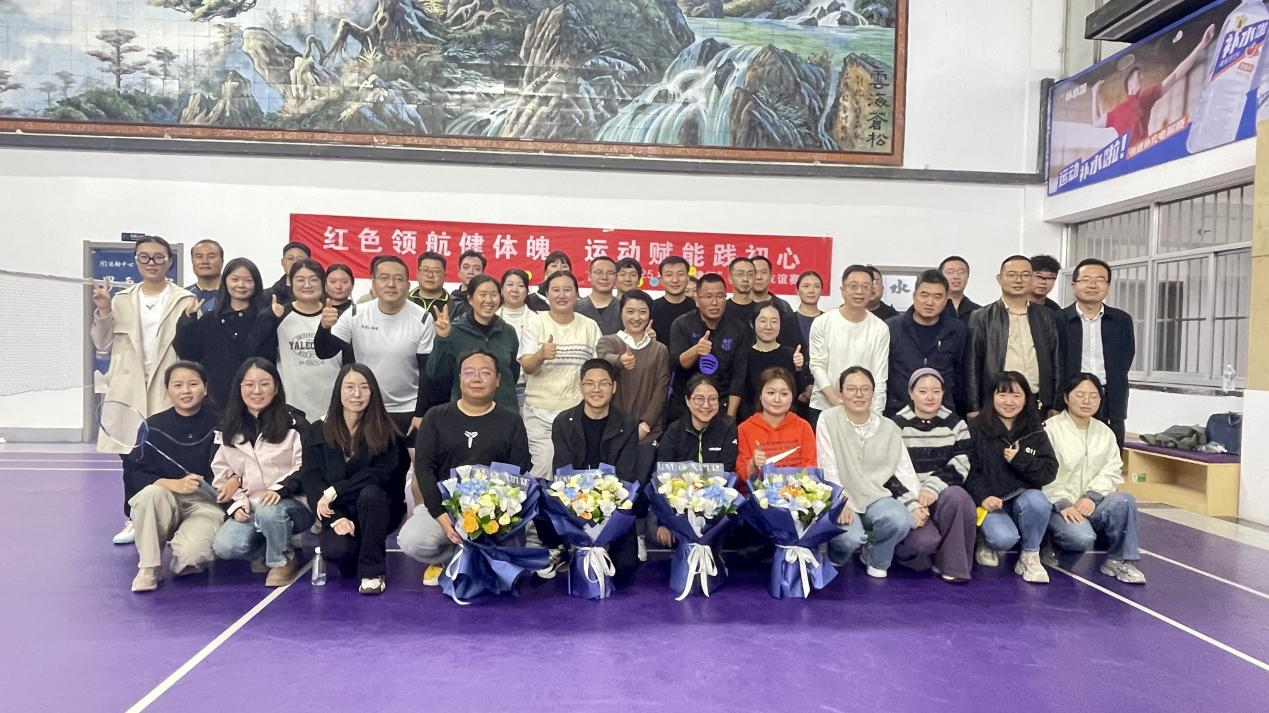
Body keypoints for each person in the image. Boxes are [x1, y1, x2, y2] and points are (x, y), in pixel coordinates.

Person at [91, 235, 195, 544]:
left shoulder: (184, 299)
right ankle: (133, 518)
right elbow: (102, 343)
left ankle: (171, 518)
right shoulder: (120, 300)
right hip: (128, 390)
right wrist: (103, 310)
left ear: (169, 261)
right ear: (136, 261)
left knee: (168, 455)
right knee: (131, 458)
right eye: (145, 257)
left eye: (159, 257)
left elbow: (193, 347)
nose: (152, 263)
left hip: (166, 389)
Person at [399, 350, 532, 586]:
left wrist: (495, 514)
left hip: (495, 512)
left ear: (498, 380)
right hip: (446, 509)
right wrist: (440, 515)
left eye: (485, 373)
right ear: (459, 380)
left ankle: (477, 556)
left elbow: (518, 471)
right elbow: (425, 470)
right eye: (469, 373)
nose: (477, 378)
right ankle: (450, 558)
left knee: (509, 562)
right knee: (412, 540)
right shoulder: (435, 417)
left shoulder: (511, 420)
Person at [302, 364, 409, 595]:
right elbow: (311, 478)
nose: (357, 394)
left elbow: (382, 475)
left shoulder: (387, 432)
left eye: (364, 387)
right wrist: (336, 517)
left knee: (371, 493)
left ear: (373, 392)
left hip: (378, 509)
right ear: (338, 391)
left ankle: (373, 572)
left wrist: (336, 490)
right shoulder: (318, 430)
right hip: (338, 510)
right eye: (349, 387)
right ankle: (357, 550)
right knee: (338, 554)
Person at [211, 358, 312, 587]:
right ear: (240, 388)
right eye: (249, 384)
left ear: (276, 388)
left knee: (269, 512)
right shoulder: (227, 426)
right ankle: (266, 552)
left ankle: (282, 560)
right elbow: (221, 472)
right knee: (225, 546)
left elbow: (306, 467)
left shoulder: (295, 423)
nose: (257, 391)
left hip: (293, 503)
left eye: (264, 384)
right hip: (251, 504)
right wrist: (236, 504)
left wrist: (280, 489)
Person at [538, 359, 641, 580]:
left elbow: (626, 476)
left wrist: (602, 508)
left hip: (612, 504)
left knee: (624, 570)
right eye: (590, 383)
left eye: (604, 383)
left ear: (614, 387)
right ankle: (560, 548)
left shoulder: (627, 424)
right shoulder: (563, 421)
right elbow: (562, 473)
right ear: (581, 386)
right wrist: (582, 508)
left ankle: (605, 543)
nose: (596, 389)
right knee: (541, 492)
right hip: (573, 501)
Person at [128, 361, 223, 592]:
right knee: (150, 494)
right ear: (167, 390)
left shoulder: (221, 422)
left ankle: (185, 549)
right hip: (164, 499)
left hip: (206, 504)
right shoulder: (152, 426)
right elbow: (136, 473)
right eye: (178, 385)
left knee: (191, 557)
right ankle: (149, 567)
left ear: (205, 388)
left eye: (193, 384)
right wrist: (173, 484)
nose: (185, 391)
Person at [315, 256, 436, 437]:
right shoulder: (355, 313)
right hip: (365, 405)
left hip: (407, 408)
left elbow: (427, 371)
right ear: (373, 283)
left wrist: (420, 413)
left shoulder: (423, 318)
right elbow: (324, 352)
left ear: (408, 285)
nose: (391, 284)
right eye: (384, 278)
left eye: (398, 279)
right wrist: (324, 327)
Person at [1042, 373, 1145, 583]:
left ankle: (1119, 561)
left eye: (1093, 396)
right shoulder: (1050, 430)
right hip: (1058, 507)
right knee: (1082, 537)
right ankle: (1051, 546)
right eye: (1080, 395)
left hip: (1092, 505)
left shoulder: (1105, 433)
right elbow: (1043, 474)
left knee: (1124, 500)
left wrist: (1092, 496)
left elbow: (1112, 470)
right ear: (1066, 397)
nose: (1087, 401)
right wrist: (1063, 503)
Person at [817, 366, 918, 578]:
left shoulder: (890, 427)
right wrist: (839, 501)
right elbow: (826, 465)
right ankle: (837, 555)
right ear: (841, 392)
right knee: (849, 538)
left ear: (873, 393)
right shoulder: (828, 419)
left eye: (865, 389)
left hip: (875, 497)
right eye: (851, 389)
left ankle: (875, 556)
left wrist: (916, 503)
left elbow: (904, 470)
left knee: (901, 519)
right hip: (841, 496)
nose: (859, 394)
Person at [965, 371, 1058, 584]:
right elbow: (968, 469)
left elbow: (1049, 471)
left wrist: (1021, 459)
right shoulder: (975, 427)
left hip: (1022, 500)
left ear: (1026, 399)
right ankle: (985, 539)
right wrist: (983, 497)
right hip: (990, 503)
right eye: (1002, 395)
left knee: (1038, 501)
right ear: (992, 397)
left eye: (1016, 396)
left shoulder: (1035, 429)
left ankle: (1030, 556)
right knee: (1004, 539)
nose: (1009, 402)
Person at [890, 369, 976, 582]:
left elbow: (962, 461)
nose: (930, 397)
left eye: (936, 391)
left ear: (943, 393)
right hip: (910, 498)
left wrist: (932, 487)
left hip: (941, 494)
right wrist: (911, 503)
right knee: (923, 543)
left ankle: (954, 567)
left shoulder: (956, 424)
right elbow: (888, 472)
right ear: (911, 393)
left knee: (959, 497)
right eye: (923, 391)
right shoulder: (896, 425)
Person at [518, 271, 601, 476]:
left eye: (567, 290)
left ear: (576, 294)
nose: (561, 295)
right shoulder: (535, 323)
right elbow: (527, 366)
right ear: (547, 294)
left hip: (576, 413)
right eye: (555, 290)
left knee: (573, 472)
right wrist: (540, 355)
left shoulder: (589, 326)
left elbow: (599, 368)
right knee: (544, 467)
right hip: (539, 412)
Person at [964, 255, 1061, 417]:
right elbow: (972, 365)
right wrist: (974, 407)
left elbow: (1056, 360)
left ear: (1032, 279)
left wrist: (1056, 404)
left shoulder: (1046, 315)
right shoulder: (982, 316)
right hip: (998, 401)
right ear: (999, 279)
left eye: (1025, 275)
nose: (1018, 280)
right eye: (1012, 275)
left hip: (1037, 402)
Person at [249, 259, 343, 423]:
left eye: (313, 279)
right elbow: (254, 352)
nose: (307, 285)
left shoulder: (337, 317)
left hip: (332, 407)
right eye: (300, 280)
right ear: (291, 283)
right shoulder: (279, 314)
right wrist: (269, 318)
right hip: (290, 407)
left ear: (323, 283)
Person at [1056, 259, 1134, 448]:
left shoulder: (1121, 320)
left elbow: (1125, 358)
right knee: (1068, 453)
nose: (1092, 285)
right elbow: (1054, 363)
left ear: (1108, 286)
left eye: (1100, 280)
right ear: (1073, 285)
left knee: (1110, 452)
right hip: (1069, 399)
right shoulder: (1058, 319)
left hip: (1110, 399)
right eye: (1085, 279)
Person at [655, 375, 739, 550]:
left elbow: (728, 471)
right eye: (699, 399)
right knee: (657, 532)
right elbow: (663, 476)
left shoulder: (728, 427)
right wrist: (664, 521)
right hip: (678, 506)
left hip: (715, 504)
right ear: (687, 400)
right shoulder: (674, 430)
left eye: (712, 399)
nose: (706, 405)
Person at [1092, 23, 1215, 142]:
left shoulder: (1147, 97)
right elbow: (1097, 122)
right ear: (1129, 82)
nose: (1142, 79)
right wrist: (1094, 95)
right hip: (1128, 155)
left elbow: (1175, 75)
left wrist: (1201, 45)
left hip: (1142, 149)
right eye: (1138, 76)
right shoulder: (1116, 112)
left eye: (1141, 77)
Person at [596, 290, 669, 484]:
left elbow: (661, 389)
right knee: (609, 487)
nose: (636, 317)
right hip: (611, 430)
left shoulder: (659, 349)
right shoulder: (609, 341)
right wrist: (620, 360)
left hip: (646, 433)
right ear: (621, 313)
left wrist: (646, 424)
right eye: (630, 311)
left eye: (642, 312)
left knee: (640, 489)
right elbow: (605, 359)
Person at [175, 257, 267, 408]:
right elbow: (188, 354)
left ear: (256, 284)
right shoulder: (210, 319)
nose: (241, 285)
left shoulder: (264, 318)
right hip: (216, 399)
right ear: (225, 282)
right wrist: (188, 320)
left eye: (248, 280)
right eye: (235, 279)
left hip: (256, 397)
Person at [808, 265, 889, 424]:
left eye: (865, 287)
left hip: (864, 411)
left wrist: (876, 416)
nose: (859, 291)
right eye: (853, 286)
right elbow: (817, 365)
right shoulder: (822, 323)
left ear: (871, 291)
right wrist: (835, 399)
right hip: (824, 407)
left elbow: (880, 377)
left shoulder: (880, 328)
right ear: (842, 290)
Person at [429, 274, 520, 410]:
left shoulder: (508, 332)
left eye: (493, 295)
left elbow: (513, 373)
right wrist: (442, 338)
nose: (488, 300)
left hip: (504, 410)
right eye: (482, 294)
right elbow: (436, 373)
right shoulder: (454, 331)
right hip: (465, 411)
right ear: (470, 299)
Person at [668, 273, 750, 423]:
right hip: (684, 404)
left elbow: (739, 375)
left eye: (720, 296)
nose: (714, 302)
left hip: (721, 403)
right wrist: (696, 350)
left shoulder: (738, 328)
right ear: (697, 300)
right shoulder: (682, 324)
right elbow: (676, 363)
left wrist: (730, 417)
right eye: (708, 296)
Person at [885, 269, 967, 416]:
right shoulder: (891, 328)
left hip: (943, 414)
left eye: (937, 297)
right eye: (924, 295)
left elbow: (961, 375)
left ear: (946, 299)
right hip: (898, 412)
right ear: (914, 295)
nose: (930, 302)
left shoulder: (957, 330)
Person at [735, 367, 817, 491]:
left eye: (784, 394)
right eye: (771, 393)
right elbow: (741, 478)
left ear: (792, 397)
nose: (777, 399)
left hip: (797, 495)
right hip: (758, 497)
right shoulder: (744, 429)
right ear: (760, 396)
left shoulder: (803, 427)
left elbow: (811, 469)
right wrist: (753, 463)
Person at [735, 303, 809, 423]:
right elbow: (739, 391)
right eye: (763, 321)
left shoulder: (791, 354)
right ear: (752, 324)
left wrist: (799, 368)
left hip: (785, 421)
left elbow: (799, 392)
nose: (768, 326)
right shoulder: (744, 355)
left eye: (774, 321)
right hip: (751, 421)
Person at [498, 269, 534, 406]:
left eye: (520, 285)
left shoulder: (537, 320)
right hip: (496, 387)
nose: (515, 289)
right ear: (502, 290)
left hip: (527, 388)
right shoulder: (490, 318)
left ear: (527, 291)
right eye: (510, 284)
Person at [793, 271, 823, 416]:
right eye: (806, 286)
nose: (811, 290)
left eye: (816, 286)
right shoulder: (785, 321)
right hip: (793, 395)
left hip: (824, 393)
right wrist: (802, 388)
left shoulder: (829, 321)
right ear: (797, 290)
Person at [650, 256, 695, 341]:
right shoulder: (651, 308)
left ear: (688, 278)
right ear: (661, 280)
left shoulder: (698, 309)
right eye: (669, 275)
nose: (675, 280)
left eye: (680, 274)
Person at [576, 256, 622, 335]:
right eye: (598, 272)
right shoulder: (575, 308)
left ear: (616, 277)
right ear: (589, 276)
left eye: (610, 273)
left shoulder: (623, 309)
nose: (604, 277)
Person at [409, 251, 453, 318]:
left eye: (436, 271)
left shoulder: (456, 306)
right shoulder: (403, 301)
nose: (430, 275)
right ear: (417, 274)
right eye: (425, 270)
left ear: (445, 276)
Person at [185, 239, 223, 315]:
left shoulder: (234, 294)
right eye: (199, 257)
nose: (204, 261)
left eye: (211, 256)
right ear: (192, 261)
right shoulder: (183, 296)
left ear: (222, 260)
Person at [448, 249, 486, 321]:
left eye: (477, 269)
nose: (471, 272)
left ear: (482, 274)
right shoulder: (449, 300)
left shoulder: (486, 301)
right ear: (459, 272)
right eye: (466, 267)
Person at [939, 255, 979, 322]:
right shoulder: (932, 309)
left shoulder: (979, 313)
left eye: (961, 272)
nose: (956, 276)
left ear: (967, 277)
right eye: (950, 272)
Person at [724, 257, 756, 326]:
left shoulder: (761, 310)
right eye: (740, 274)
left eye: (750, 274)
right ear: (730, 279)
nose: (745, 279)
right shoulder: (722, 309)